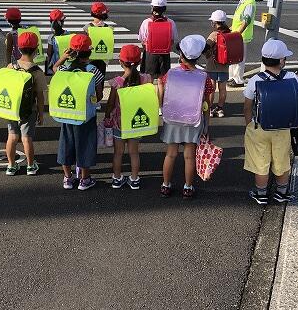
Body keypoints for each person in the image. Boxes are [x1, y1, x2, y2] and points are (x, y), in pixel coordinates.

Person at [243, 39, 298, 205]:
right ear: (281, 60)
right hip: (284, 127)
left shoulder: (255, 80)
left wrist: (249, 124)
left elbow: (247, 107)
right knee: (282, 161)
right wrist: (296, 119)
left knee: (261, 162)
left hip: (260, 128)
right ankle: (281, 192)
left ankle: (261, 194)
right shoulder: (291, 77)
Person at [158, 35, 214, 199]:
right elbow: (207, 103)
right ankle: (188, 187)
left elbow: (162, 93)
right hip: (193, 119)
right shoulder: (204, 77)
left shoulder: (171, 73)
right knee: (189, 156)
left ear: (181, 56)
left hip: (172, 117)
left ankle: (165, 185)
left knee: (170, 154)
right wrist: (206, 125)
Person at [54, 34, 104, 190]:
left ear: (71, 51)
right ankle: (84, 179)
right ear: (90, 52)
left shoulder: (64, 69)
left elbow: (54, 68)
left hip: (67, 114)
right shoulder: (93, 70)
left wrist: (63, 58)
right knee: (85, 145)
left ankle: (67, 178)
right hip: (87, 115)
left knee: (66, 143)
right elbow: (99, 95)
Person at [104, 44, 151, 189]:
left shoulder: (117, 82)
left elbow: (110, 104)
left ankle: (117, 178)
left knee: (118, 153)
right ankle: (134, 179)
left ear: (120, 62)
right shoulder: (146, 79)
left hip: (119, 123)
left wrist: (107, 117)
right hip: (136, 122)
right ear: (139, 61)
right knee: (134, 153)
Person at [5, 31, 47, 176]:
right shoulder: (37, 71)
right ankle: (30, 166)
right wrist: (41, 114)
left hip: (12, 109)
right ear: (36, 49)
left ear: (18, 48)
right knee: (26, 138)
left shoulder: (11, 66)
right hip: (29, 109)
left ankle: (11, 166)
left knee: (12, 136)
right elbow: (40, 96)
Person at [138, 0, 178, 78]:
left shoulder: (146, 22)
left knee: (149, 78)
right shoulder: (171, 22)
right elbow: (172, 40)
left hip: (150, 53)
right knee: (162, 78)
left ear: (152, 8)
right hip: (165, 54)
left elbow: (142, 40)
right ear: (165, 9)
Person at [227, 0, 256, 88]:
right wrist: (230, 29)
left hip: (241, 36)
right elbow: (238, 20)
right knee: (233, 57)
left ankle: (238, 80)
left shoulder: (249, 2)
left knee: (239, 59)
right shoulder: (243, 1)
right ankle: (231, 77)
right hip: (235, 35)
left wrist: (237, 34)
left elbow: (246, 21)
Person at [204, 9, 230, 117]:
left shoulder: (214, 34)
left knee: (211, 89)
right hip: (224, 66)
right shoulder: (229, 33)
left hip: (212, 65)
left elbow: (205, 48)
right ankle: (220, 109)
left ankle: (209, 109)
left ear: (214, 23)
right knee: (223, 89)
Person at [82, 1, 110, 79]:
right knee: (100, 79)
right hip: (103, 58)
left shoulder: (87, 27)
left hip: (90, 59)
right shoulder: (108, 28)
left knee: (90, 79)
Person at [46, 8, 68, 75]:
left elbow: (49, 53)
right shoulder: (68, 34)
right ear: (62, 22)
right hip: (66, 65)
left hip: (55, 65)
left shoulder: (51, 37)